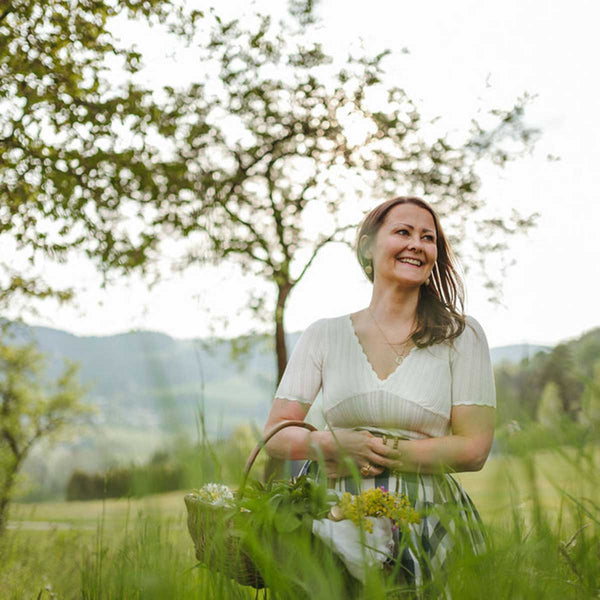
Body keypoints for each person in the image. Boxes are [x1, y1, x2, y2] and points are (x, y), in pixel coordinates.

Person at [262, 196, 496, 593]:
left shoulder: (462, 334)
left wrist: (373, 452)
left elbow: (474, 448)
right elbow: (276, 435)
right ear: (368, 246)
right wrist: (335, 444)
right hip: (329, 514)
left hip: (426, 512)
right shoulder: (324, 335)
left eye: (428, 237)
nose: (416, 245)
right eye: (402, 232)